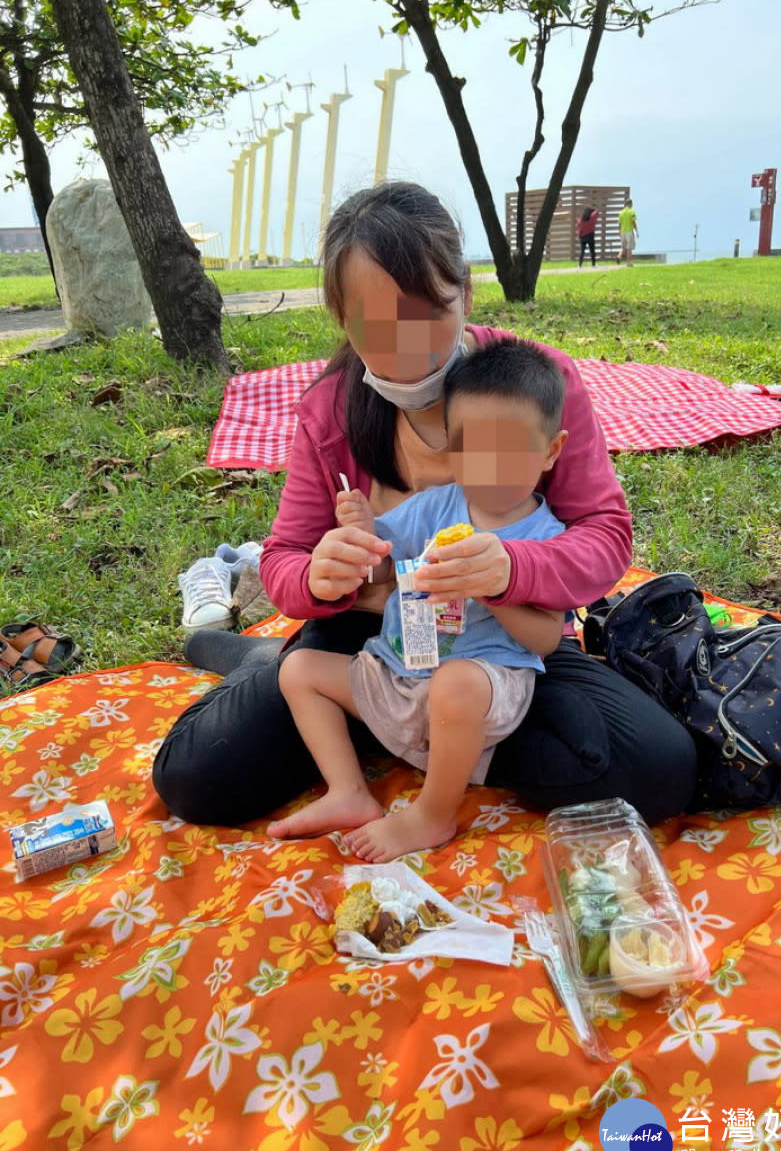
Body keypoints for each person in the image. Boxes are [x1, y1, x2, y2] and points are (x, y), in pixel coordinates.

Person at [152, 181, 696, 832]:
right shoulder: (329, 411)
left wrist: (510, 570)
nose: (408, 350)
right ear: (341, 319)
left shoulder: (532, 383)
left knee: (658, 771)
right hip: (370, 643)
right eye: (376, 328)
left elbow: (605, 535)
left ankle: (404, 730)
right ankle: (290, 675)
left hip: (495, 644)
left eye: (427, 313)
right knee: (195, 779)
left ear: (464, 293)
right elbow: (285, 562)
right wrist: (319, 577)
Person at [274, 339, 568, 861]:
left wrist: (494, 590)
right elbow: (382, 563)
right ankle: (347, 791)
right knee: (298, 670)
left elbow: (546, 639)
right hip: (400, 672)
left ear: (551, 450)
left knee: (455, 683)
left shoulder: (544, 536)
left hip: (480, 689)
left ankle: (433, 815)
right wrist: (363, 539)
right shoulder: (436, 508)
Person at [618, 198, 639, 266]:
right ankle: (629, 263)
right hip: (629, 231)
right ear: (630, 204)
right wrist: (637, 231)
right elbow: (633, 222)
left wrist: (619, 232)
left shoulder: (621, 212)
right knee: (629, 248)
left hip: (622, 231)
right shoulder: (632, 212)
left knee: (623, 247)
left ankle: (619, 256)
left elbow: (619, 224)